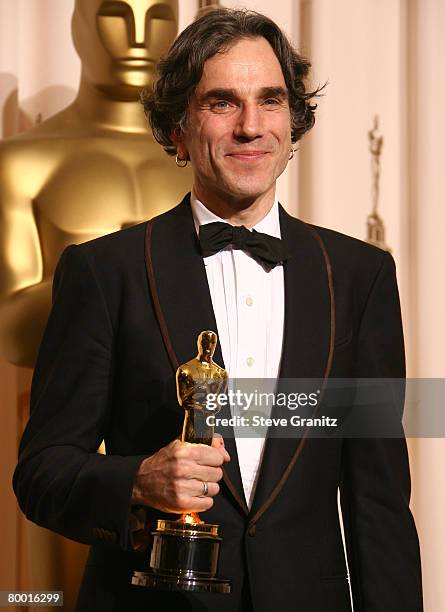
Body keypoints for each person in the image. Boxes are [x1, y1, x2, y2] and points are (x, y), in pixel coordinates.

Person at [13, 8, 423, 612]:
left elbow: (379, 504)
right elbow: (42, 473)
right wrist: (137, 481)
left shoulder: (360, 278)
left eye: (271, 101)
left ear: (294, 124)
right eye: (223, 102)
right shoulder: (106, 272)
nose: (251, 126)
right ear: (178, 129)